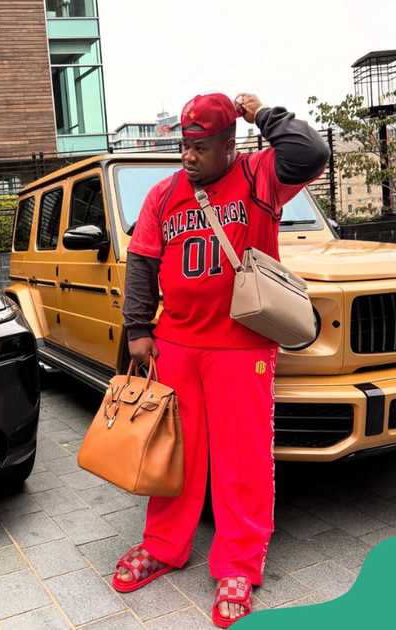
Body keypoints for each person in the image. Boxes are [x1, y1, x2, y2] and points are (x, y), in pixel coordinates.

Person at [115, 93, 329, 628]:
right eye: (184, 146)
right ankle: (164, 545)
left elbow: (311, 152)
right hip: (177, 344)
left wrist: (262, 113)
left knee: (243, 458)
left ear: (229, 144)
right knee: (175, 453)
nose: (189, 157)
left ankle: (238, 565)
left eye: (201, 147)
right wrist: (138, 328)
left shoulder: (261, 175)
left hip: (242, 345)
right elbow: (142, 261)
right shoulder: (165, 194)